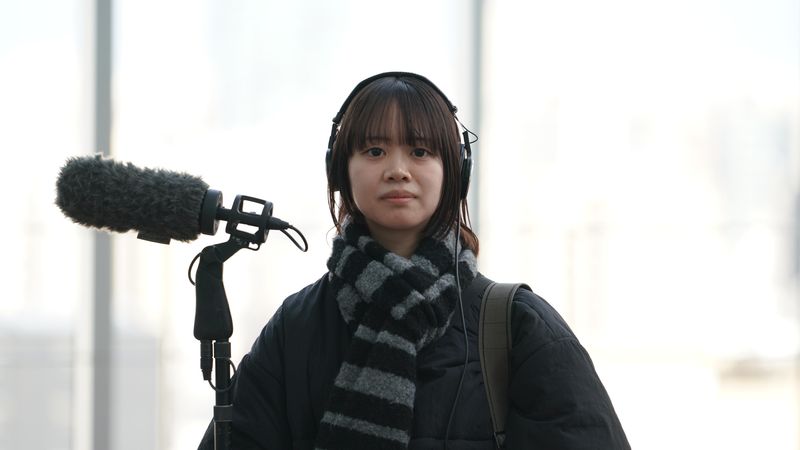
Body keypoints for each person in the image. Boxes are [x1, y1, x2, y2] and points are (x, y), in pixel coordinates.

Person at [199, 72, 630, 449]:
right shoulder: (297, 327)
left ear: (455, 171)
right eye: (374, 151)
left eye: (420, 152)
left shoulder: (516, 327)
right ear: (340, 171)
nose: (397, 170)